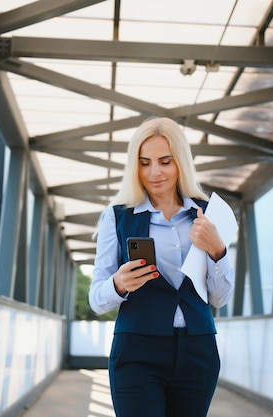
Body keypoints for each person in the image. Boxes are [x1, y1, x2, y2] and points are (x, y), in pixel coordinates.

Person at [89, 117, 234, 417]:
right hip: (137, 351)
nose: (154, 172)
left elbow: (219, 298)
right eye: (144, 162)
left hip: (198, 350)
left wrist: (217, 250)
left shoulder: (208, 215)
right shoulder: (117, 218)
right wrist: (119, 284)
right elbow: (96, 299)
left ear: (180, 162)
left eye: (165, 161)